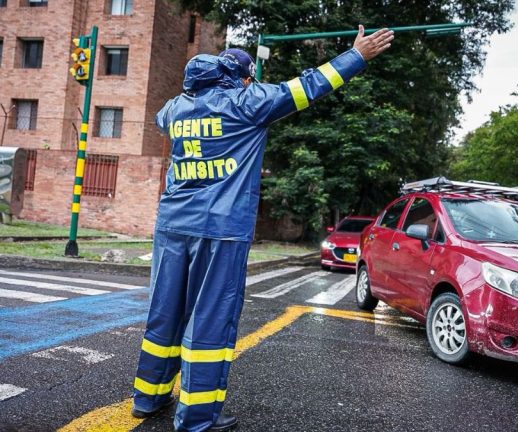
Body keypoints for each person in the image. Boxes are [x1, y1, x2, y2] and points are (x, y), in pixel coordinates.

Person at [131, 25, 394, 431]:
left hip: (172, 225)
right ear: (242, 77)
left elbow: (160, 117)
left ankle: (148, 398)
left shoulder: (174, 108)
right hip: (221, 228)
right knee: (210, 319)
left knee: (164, 311)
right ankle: (197, 418)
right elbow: (307, 87)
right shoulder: (247, 101)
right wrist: (356, 56)